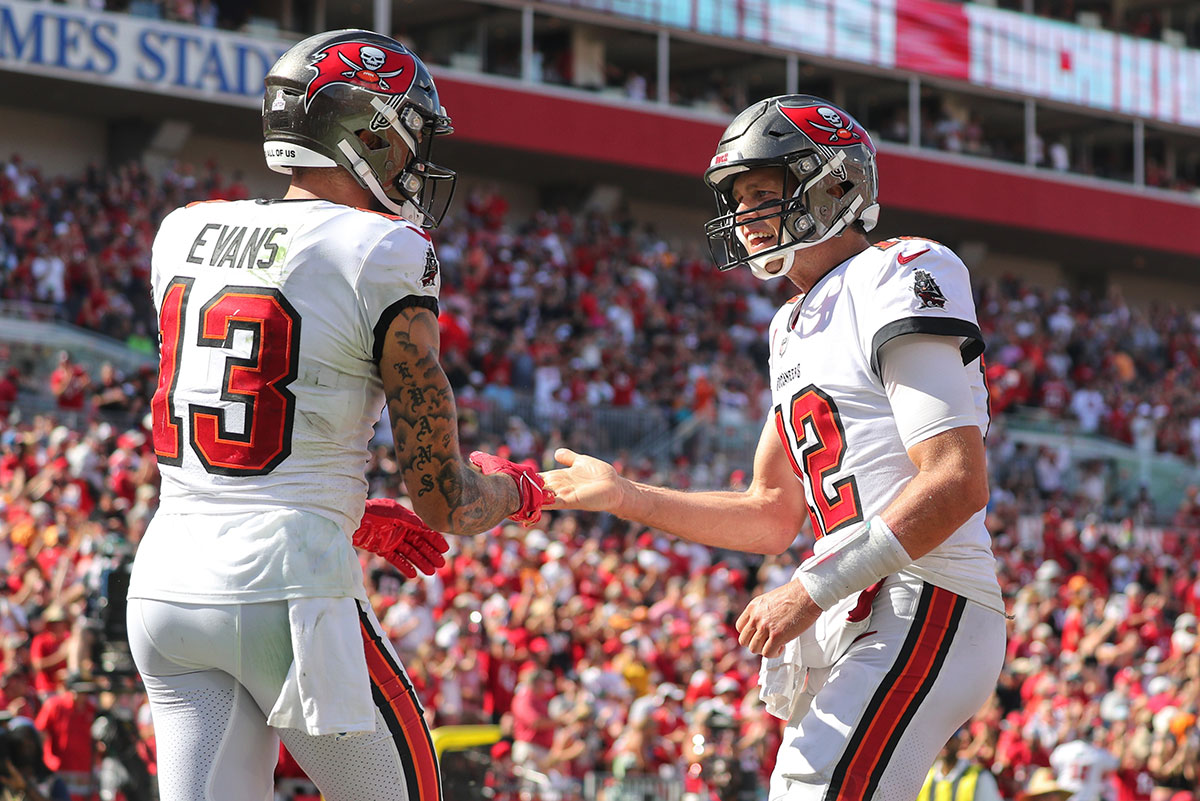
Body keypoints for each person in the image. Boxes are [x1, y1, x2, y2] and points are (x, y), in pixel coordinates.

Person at [539, 95, 1006, 800]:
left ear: (839, 185)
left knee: (816, 785)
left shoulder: (899, 268)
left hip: (927, 588)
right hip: (859, 598)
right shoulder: (790, 324)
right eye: (738, 197)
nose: (747, 212)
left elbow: (956, 480)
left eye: (764, 191)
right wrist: (628, 497)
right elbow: (768, 511)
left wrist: (811, 587)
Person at [126, 29, 552, 801]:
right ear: (358, 130)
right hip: (288, 586)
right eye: (405, 136)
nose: (414, 160)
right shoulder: (381, 245)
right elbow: (446, 499)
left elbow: (252, 427)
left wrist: (348, 506)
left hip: (166, 582)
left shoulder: (181, 229)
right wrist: (522, 488)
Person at [917, 728, 1003, 801]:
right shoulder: (924, 777)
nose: (945, 744)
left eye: (950, 739)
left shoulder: (979, 777)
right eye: (941, 739)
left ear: (959, 741)